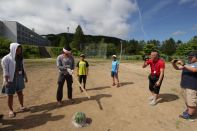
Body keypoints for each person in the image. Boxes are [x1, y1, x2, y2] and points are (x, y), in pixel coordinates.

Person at [1, 43, 28, 118]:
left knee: (20, 92)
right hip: (10, 79)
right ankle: (11, 110)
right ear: (13, 49)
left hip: (19, 77)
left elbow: (23, 68)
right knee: (10, 95)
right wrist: (6, 81)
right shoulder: (6, 59)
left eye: (20, 50)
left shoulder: (21, 57)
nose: (19, 51)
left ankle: (22, 106)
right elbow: (5, 71)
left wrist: (25, 76)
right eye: (17, 50)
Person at [171, 51, 197, 120]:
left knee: (191, 101)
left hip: (192, 86)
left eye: (192, 57)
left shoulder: (195, 64)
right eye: (189, 56)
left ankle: (190, 116)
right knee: (187, 100)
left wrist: (184, 64)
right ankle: (190, 111)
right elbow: (177, 68)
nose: (189, 58)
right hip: (184, 85)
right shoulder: (188, 64)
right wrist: (173, 64)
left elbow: (194, 70)